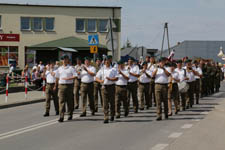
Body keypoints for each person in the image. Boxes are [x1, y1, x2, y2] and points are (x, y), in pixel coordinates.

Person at [55, 55, 77, 123]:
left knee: (70, 101)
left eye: (65, 59)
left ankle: (70, 114)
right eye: (63, 59)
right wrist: (56, 85)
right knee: (61, 101)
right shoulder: (59, 68)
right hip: (61, 86)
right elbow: (57, 78)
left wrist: (69, 78)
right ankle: (61, 116)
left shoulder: (71, 68)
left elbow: (75, 76)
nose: (64, 60)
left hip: (69, 86)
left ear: (68, 60)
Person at [96, 56, 117, 124]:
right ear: (104, 62)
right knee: (105, 103)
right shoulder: (102, 69)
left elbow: (117, 78)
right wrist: (100, 81)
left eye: (108, 61)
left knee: (112, 102)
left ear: (109, 62)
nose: (107, 62)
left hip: (111, 87)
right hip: (104, 87)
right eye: (105, 61)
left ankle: (112, 114)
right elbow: (96, 78)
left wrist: (110, 79)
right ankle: (106, 117)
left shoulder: (113, 69)